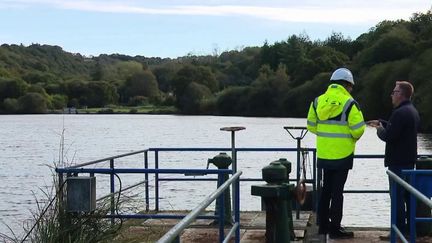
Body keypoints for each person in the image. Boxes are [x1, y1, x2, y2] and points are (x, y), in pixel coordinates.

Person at [307, 67, 366, 239]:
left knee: (325, 190)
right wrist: (348, 138)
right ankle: (335, 228)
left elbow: (310, 125)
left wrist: (325, 136)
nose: (351, 90)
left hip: (324, 153)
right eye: (351, 87)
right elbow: (358, 130)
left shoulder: (318, 101)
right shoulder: (350, 103)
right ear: (347, 84)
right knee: (337, 192)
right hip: (343, 154)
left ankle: (323, 226)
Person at [367, 81, 420, 235]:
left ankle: (397, 231)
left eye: (394, 92)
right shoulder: (411, 110)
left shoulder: (399, 113)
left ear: (400, 94)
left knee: (397, 198)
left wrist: (379, 129)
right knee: (408, 197)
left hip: (397, 163)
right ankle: (410, 230)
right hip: (409, 161)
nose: (391, 95)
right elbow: (397, 128)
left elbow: (389, 136)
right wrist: (383, 123)